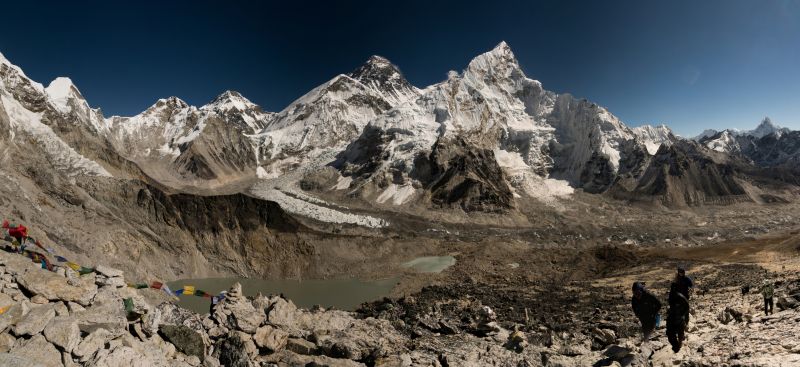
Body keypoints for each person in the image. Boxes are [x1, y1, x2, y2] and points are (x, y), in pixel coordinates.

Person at [666, 282, 690, 353]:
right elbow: (671, 305)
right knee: (670, 333)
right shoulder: (671, 295)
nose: (672, 290)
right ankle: (677, 347)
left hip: (679, 318)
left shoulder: (680, 296)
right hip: (672, 317)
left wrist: (683, 315)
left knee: (680, 333)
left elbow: (687, 306)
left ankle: (679, 346)